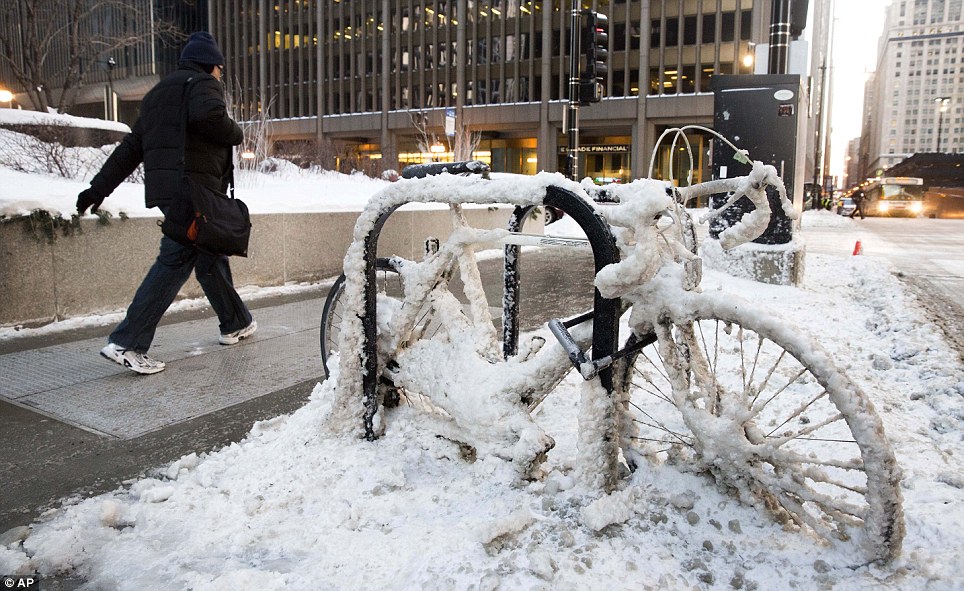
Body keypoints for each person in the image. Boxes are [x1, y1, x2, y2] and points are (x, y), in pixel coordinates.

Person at [76, 32, 256, 375]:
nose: (219, 75)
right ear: (212, 65)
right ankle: (128, 342)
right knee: (176, 259)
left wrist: (97, 190)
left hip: (170, 190)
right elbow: (211, 119)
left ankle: (236, 322)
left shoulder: (159, 94)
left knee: (209, 253)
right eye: (219, 69)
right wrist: (236, 133)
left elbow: (130, 149)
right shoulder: (203, 84)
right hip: (194, 192)